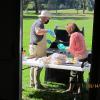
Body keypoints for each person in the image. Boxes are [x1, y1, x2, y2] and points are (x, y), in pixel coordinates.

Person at [29, 10, 51, 90]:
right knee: (39, 65)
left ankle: (32, 83)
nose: (48, 20)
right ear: (44, 18)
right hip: (38, 47)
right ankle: (37, 84)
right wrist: (48, 31)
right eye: (48, 18)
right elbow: (38, 31)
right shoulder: (39, 23)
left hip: (33, 46)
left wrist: (46, 39)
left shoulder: (36, 22)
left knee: (33, 64)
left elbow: (38, 34)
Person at [65, 23, 88, 94]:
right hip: (84, 56)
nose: (67, 31)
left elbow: (71, 48)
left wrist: (64, 48)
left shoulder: (73, 35)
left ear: (71, 29)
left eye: (67, 29)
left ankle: (71, 89)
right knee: (80, 73)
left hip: (77, 56)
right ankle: (80, 89)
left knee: (73, 72)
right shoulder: (80, 34)